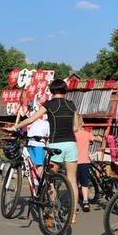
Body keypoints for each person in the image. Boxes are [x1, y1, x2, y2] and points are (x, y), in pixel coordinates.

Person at [7, 79, 79, 224]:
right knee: (72, 179)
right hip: (71, 144)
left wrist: (16, 127)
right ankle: (73, 216)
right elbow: (76, 126)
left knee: (50, 179)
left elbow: (32, 119)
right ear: (65, 91)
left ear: (52, 91)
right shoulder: (72, 105)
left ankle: (52, 210)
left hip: (55, 143)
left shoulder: (49, 104)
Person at [74, 114, 101, 212]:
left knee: (74, 184)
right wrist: (100, 138)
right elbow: (96, 139)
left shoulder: (72, 135)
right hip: (84, 162)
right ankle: (85, 202)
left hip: (73, 162)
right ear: (83, 123)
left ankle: (75, 205)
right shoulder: (86, 134)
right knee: (85, 184)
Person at [26, 112, 49, 180]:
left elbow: (48, 137)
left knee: (37, 164)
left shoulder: (44, 123)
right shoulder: (38, 122)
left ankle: (40, 180)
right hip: (34, 144)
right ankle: (37, 180)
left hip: (35, 144)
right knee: (35, 164)